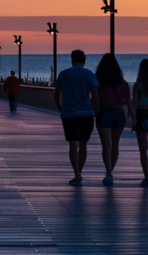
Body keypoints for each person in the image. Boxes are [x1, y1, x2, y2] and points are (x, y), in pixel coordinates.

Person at [53, 50, 100, 185]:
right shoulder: (89, 74)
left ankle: (77, 175)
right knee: (83, 144)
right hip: (86, 114)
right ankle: (80, 172)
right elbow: (96, 97)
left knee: (73, 144)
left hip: (69, 114)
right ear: (84, 59)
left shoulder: (64, 74)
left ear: (72, 59)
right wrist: (94, 110)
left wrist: (60, 109)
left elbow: (56, 95)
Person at [95, 53, 131, 185]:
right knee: (115, 144)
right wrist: (132, 115)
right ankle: (109, 172)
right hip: (118, 113)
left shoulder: (99, 81)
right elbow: (128, 100)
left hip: (105, 111)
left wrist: (95, 111)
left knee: (106, 145)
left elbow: (96, 100)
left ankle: (108, 172)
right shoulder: (122, 83)